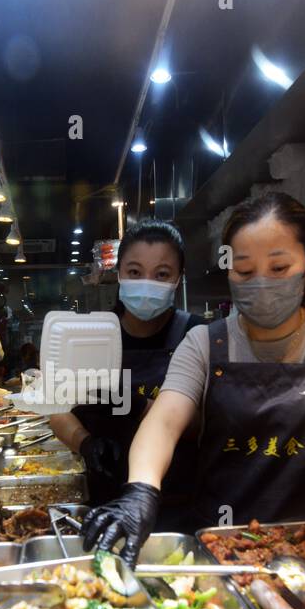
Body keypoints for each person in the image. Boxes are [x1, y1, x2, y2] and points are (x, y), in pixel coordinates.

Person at [82, 192, 305, 563]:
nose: (261, 283)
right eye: (244, 271)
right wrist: (142, 489)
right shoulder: (204, 343)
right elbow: (163, 421)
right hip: (221, 546)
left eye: (278, 268)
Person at [49, 219, 204, 515]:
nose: (147, 283)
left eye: (161, 274)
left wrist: (135, 404)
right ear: (119, 273)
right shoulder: (89, 336)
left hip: (177, 500)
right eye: (135, 272)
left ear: (178, 279)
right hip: (102, 497)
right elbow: (57, 408)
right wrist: (85, 443)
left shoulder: (197, 335)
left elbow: (208, 424)